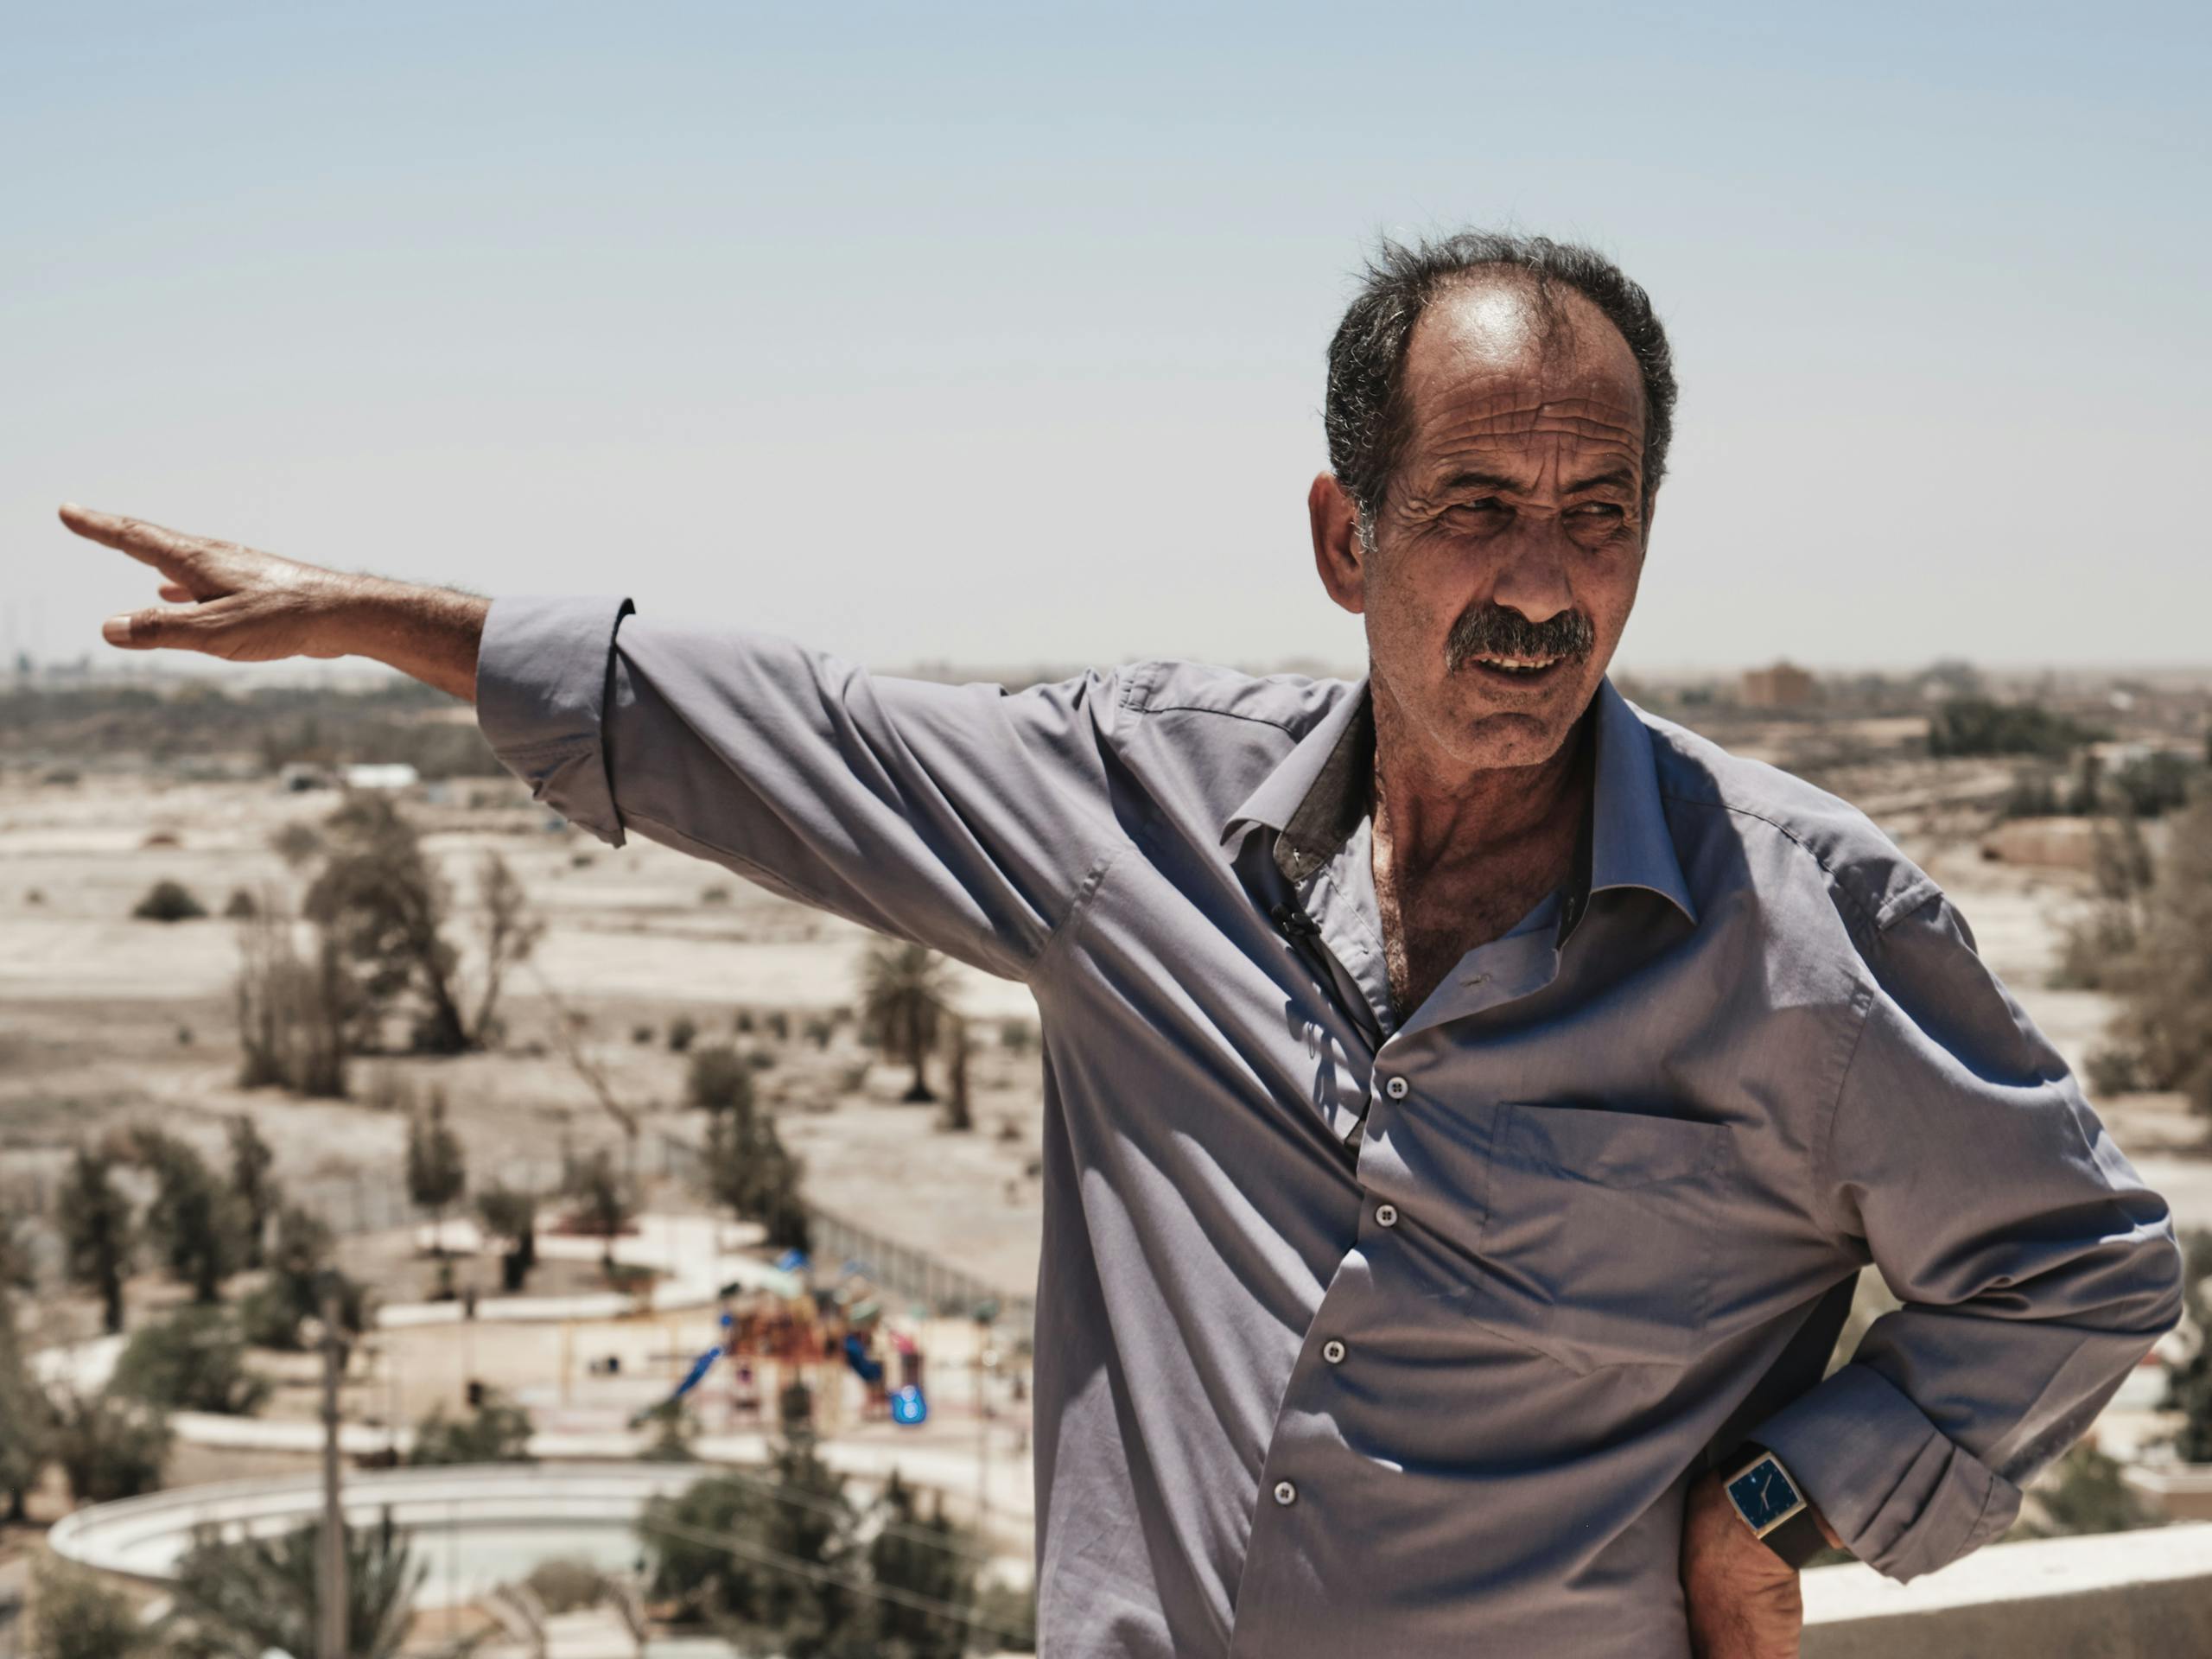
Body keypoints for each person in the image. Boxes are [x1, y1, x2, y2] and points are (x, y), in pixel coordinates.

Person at [62, 228, 2183, 1659]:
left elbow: (2077, 1268)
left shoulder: (1801, 933)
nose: (1542, 583)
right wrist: (361, 615)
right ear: (1344, 535)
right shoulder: (1132, 815)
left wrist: (1776, 1504)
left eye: (1597, 512)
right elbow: (782, 726)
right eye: (1475, 510)